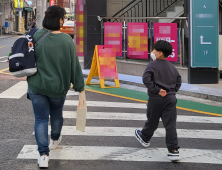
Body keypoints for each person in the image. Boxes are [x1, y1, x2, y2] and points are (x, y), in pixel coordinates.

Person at [27, 5, 85, 168]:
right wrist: (79, 86)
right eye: (63, 18)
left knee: (40, 119)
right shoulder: (67, 40)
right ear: (59, 20)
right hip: (58, 88)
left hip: (37, 86)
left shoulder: (36, 35)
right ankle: (54, 138)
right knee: (57, 114)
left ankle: (43, 155)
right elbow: (74, 66)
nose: (64, 20)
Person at [135, 40, 181, 162]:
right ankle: (173, 150)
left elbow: (146, 79)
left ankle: (144, 137)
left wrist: (157, 90)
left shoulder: (151, 65)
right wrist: (171, 91)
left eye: (154, 50)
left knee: (152, 121)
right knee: (170, 125)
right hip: (170, 99)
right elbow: (178, 81)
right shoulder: (172, 67)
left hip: (156, 99)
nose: (152, 52)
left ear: (160, 53)